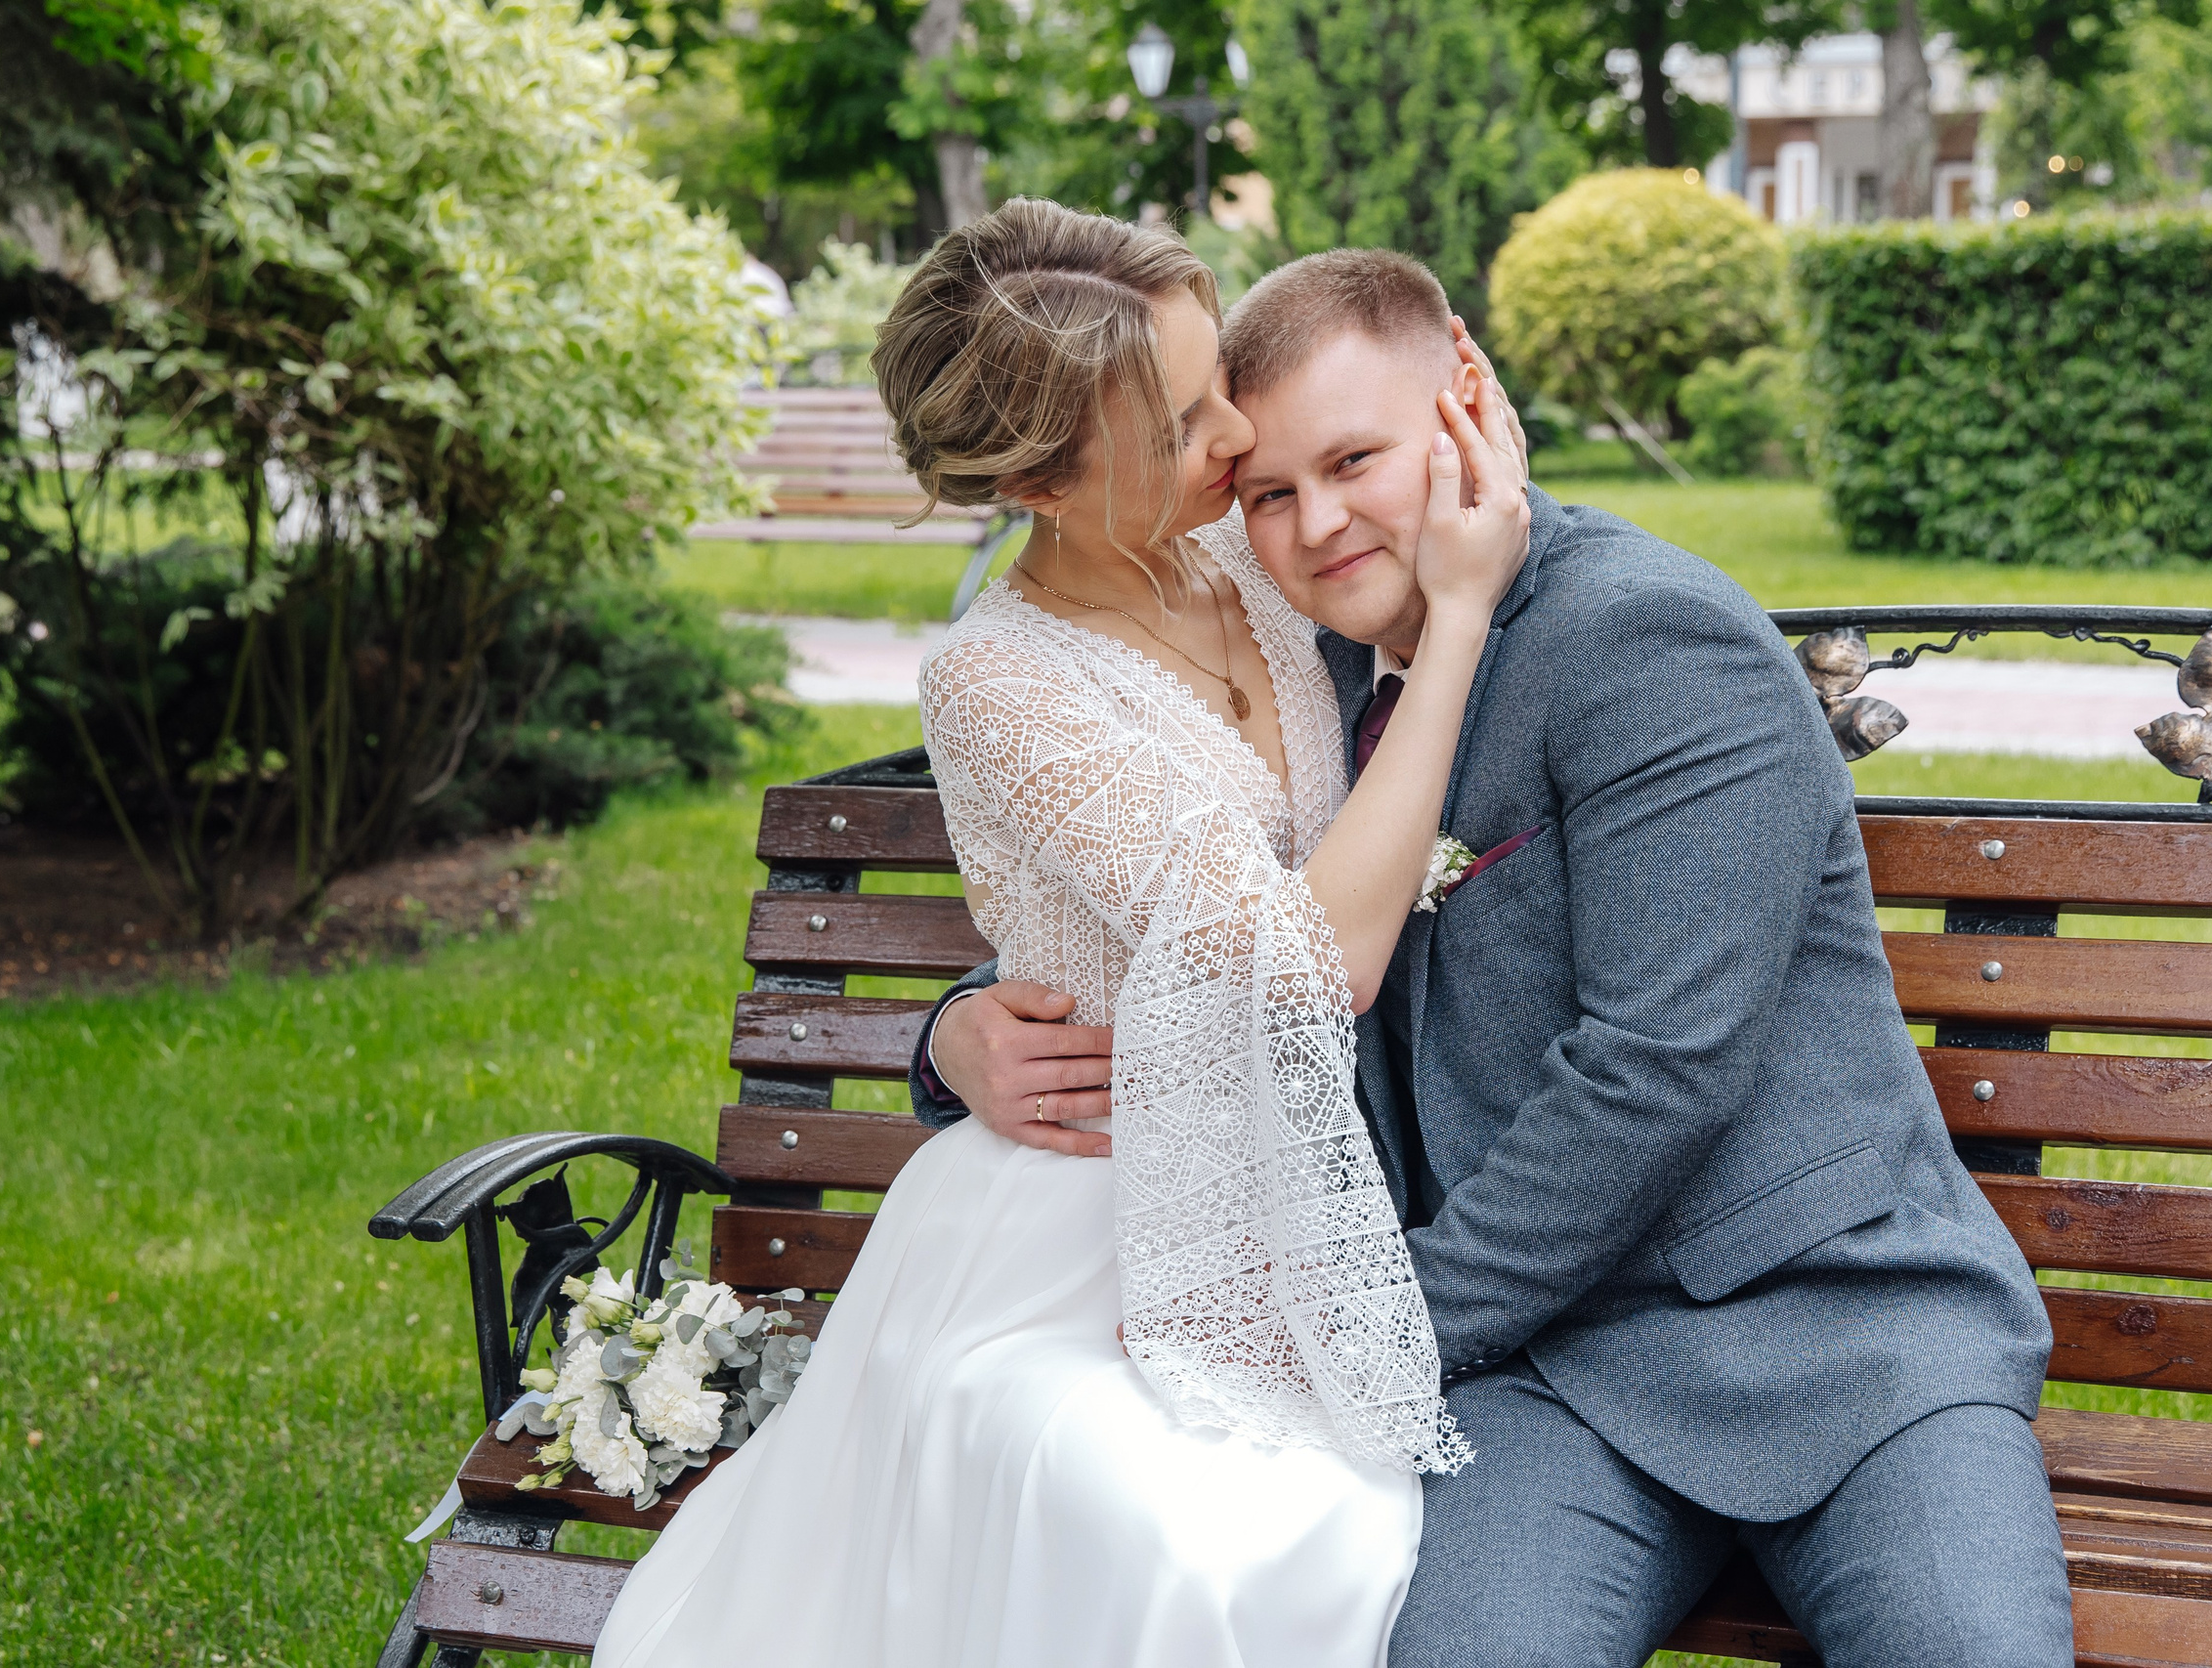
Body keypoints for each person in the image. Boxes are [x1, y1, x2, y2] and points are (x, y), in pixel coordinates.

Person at [915, 247, 2074, 1668]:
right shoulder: (1301, 652)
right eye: (1269, 491)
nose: (1319, 522)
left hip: (1836, 1325)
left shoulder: (1650, 640)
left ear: (1467, 392)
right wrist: (961, 1025)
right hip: (1551, 1371)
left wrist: (1372, 1338)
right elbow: (1187, 898)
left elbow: (1656, 1073)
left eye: (1356, 459)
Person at [593, 199, 1533, 1668]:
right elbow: (1311, 965)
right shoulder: (997, 685)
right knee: (1197, 1549)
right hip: (1069, 1243)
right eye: (1181, 423)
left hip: (1298, 1189)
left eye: (1217, 373)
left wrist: (948, 1017)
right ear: (1037, 477)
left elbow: (1417, 475)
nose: (1237, 435)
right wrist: (1463, 619)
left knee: (1311, 1531)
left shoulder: (1261, 551)